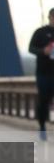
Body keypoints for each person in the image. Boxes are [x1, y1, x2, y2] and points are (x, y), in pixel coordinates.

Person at [28, 8, 54, 142]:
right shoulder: (40, 32)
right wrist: (43, 51)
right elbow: (31, 48)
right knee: (44, 101)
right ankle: (42, 126)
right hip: (43, 73)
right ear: (49, 17)